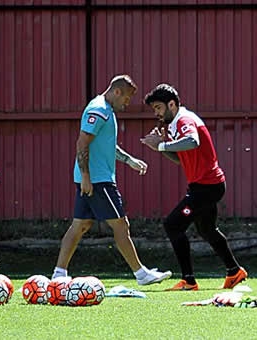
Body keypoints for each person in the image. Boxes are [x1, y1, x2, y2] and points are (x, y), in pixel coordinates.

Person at [51, 75, 171, 286]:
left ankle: (59, 274)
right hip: (97, 180)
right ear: (116, 92)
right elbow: (82, 144)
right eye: (126, 98)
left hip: (93, 178)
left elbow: (104, 145)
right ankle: (141, 274)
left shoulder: (106, 110)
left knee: (80, 225)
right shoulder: (99, 111)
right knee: (121, 225)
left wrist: (129, 160)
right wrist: (87, 177)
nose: (126, 103)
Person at [141, 83, 247, 291]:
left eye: (159, 108)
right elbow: (181, 159)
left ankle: (189, 281)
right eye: (154, 109)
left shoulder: (184, 120)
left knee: (173, 225)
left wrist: (161, 145)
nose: (157, 113)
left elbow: (192, 141)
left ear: (172, 104)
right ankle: (234, 271)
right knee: (207, 230)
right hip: (207, 186)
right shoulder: (175, 124)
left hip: (206, 188)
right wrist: (161, 147)